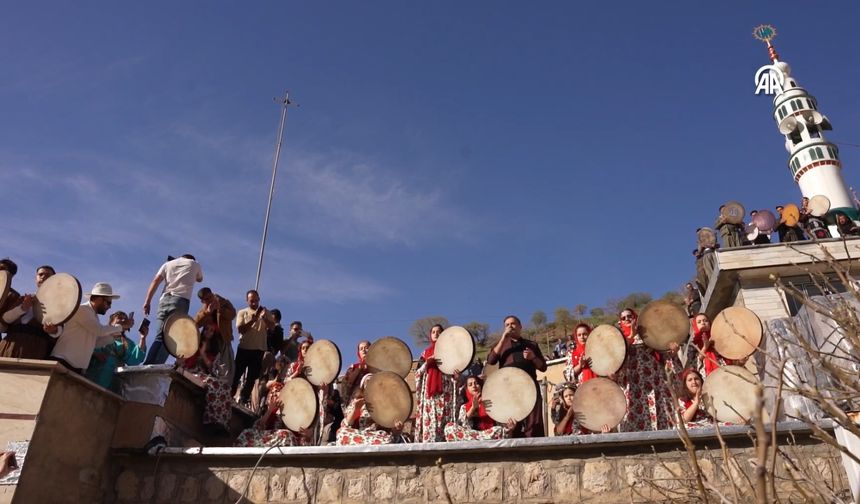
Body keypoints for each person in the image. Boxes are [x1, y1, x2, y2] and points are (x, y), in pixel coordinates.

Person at [616, 308, 681, 432]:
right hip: (631, 383)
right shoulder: (619, 339)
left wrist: (672, 353)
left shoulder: (649, 335)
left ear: (635, 318)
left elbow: (663, 356)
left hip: (653, 380)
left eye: (629, 316)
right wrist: (631, 336)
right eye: (623, 318)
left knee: (658, 409)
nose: (627, 319)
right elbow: (616, 360)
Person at [486, 315, 547, 437]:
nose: (510, 327)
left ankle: (535, 450)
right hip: (508, 388)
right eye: (507, 325)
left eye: (513, 324)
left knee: (534, 421)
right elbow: (491, 360)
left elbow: (543, 367)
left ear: (520, 326)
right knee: (511, 421)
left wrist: (533, 357)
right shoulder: (500, 345)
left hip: (530, 386)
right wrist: (503, 338)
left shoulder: (531, 345)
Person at [50, 283, 129, 374]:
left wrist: (114, 335)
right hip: (62, 361)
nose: (110, 307)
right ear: (99, 299)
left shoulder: (93, 317)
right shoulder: (83, 310)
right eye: (108, 303)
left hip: (74, 367)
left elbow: (95, 343)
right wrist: (121, 327)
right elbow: (100, 331)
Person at [142, 254, 203, 364]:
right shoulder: (195, 264)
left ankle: (148, 364)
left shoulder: (167, 264)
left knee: (159, 336)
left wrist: (147, 301)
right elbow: (200, 279)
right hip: (180, 301)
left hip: (164, 300)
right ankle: (157, 367)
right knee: (171, 336)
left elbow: (155, 281)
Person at [181, 322, 232, 435]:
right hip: (193, 372)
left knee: (225, 387)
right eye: (206, 329)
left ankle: (221, 422)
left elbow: (211, 367)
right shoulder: (194, 344)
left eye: (211, 330)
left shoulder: (214, 350)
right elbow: (184, 359)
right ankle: (210, 421)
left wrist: (203, 354)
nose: (208, 332)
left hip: (205, 374)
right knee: (214, 384)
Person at [0, 264, 61, 359]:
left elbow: (60, 330)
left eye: (48, 275)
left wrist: (54, 330)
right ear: (36, 278)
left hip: (36, 349)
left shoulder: (58, 304)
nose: (43, 277)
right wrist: (22, 308)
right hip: (8, 345)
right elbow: (5, 319)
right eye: (40, 274)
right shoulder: (23, 298)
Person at [414, 324, 456, 443]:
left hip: (445, 389)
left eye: (439, 331)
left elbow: (454, 372)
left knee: (444, 417)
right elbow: (417, 373)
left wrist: (456, 377)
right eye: (433, 332)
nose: (436, 334)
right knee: (430, 421)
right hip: (429, 393)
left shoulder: (450, 352)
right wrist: (427, 363)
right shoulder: (425, 353)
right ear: (430, 335)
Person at [337, 374, 407, 445]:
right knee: (341, 433)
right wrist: (355, 410)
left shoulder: (387, 404)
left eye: (373, 381)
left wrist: (397, 429)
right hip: (360, 435)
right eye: (367, 381)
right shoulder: (357, 402)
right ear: (363, 387)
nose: (370, 383)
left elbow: (394, 431)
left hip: (379, 436)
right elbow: (345, 426)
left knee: (388, 440)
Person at [85, 311, 148, 390]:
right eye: (120, 318)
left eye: (125, 319)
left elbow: (135, 359)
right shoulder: (101, 331)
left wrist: (143, 338)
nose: (122, 320)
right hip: (92, 374)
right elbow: (86, 346)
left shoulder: (127, 342)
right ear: (111, 322)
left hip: (112, 382)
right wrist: (95, 354)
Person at [234, 290, 275, 405]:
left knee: (252, 378)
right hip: (244, 348)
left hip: (259, 350)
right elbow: (241, 329)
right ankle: (229, 395)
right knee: (236, 374)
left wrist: (264, 318)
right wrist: (253, 319)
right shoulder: (242, 312)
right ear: (247, 300)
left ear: (259, 299)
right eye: (251, 301)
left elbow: (272, 327)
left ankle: (243, 400)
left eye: (256, 300)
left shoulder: (266, 312)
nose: (254, 303)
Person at [444, 375, 513, 441]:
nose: (474, 386)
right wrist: (473, 408)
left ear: (481, 386)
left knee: (499, 430)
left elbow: (501, 425)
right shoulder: (464, 407)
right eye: (470, 385)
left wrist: (509, 428)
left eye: (476, 383)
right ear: (467, 389)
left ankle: (479, 440)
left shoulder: (491, 403)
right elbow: (461, 424)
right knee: (449, 427)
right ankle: (479, 440)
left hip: (488, 434)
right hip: (471, 434)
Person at [234, 395, 313, 447]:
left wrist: (308, 437)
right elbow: (258, 427)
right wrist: (270, 410)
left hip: (286, 445)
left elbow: (302, 442)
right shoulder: (274, 416)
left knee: (287, 434)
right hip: (263, 443)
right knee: (247, 433)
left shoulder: (299, 419)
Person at [194, 287, 237, 384]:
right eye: (207, 299)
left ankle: (224, 389)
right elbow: (196, 323)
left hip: (223, 339)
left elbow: (232, 314)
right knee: (205, 366)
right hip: (209, 342)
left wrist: (220, 309)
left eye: (210, 296)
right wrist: (207, 313)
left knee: (225, 367)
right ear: (202, 301)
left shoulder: (224, 302)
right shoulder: (203, 310)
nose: (210, 300)